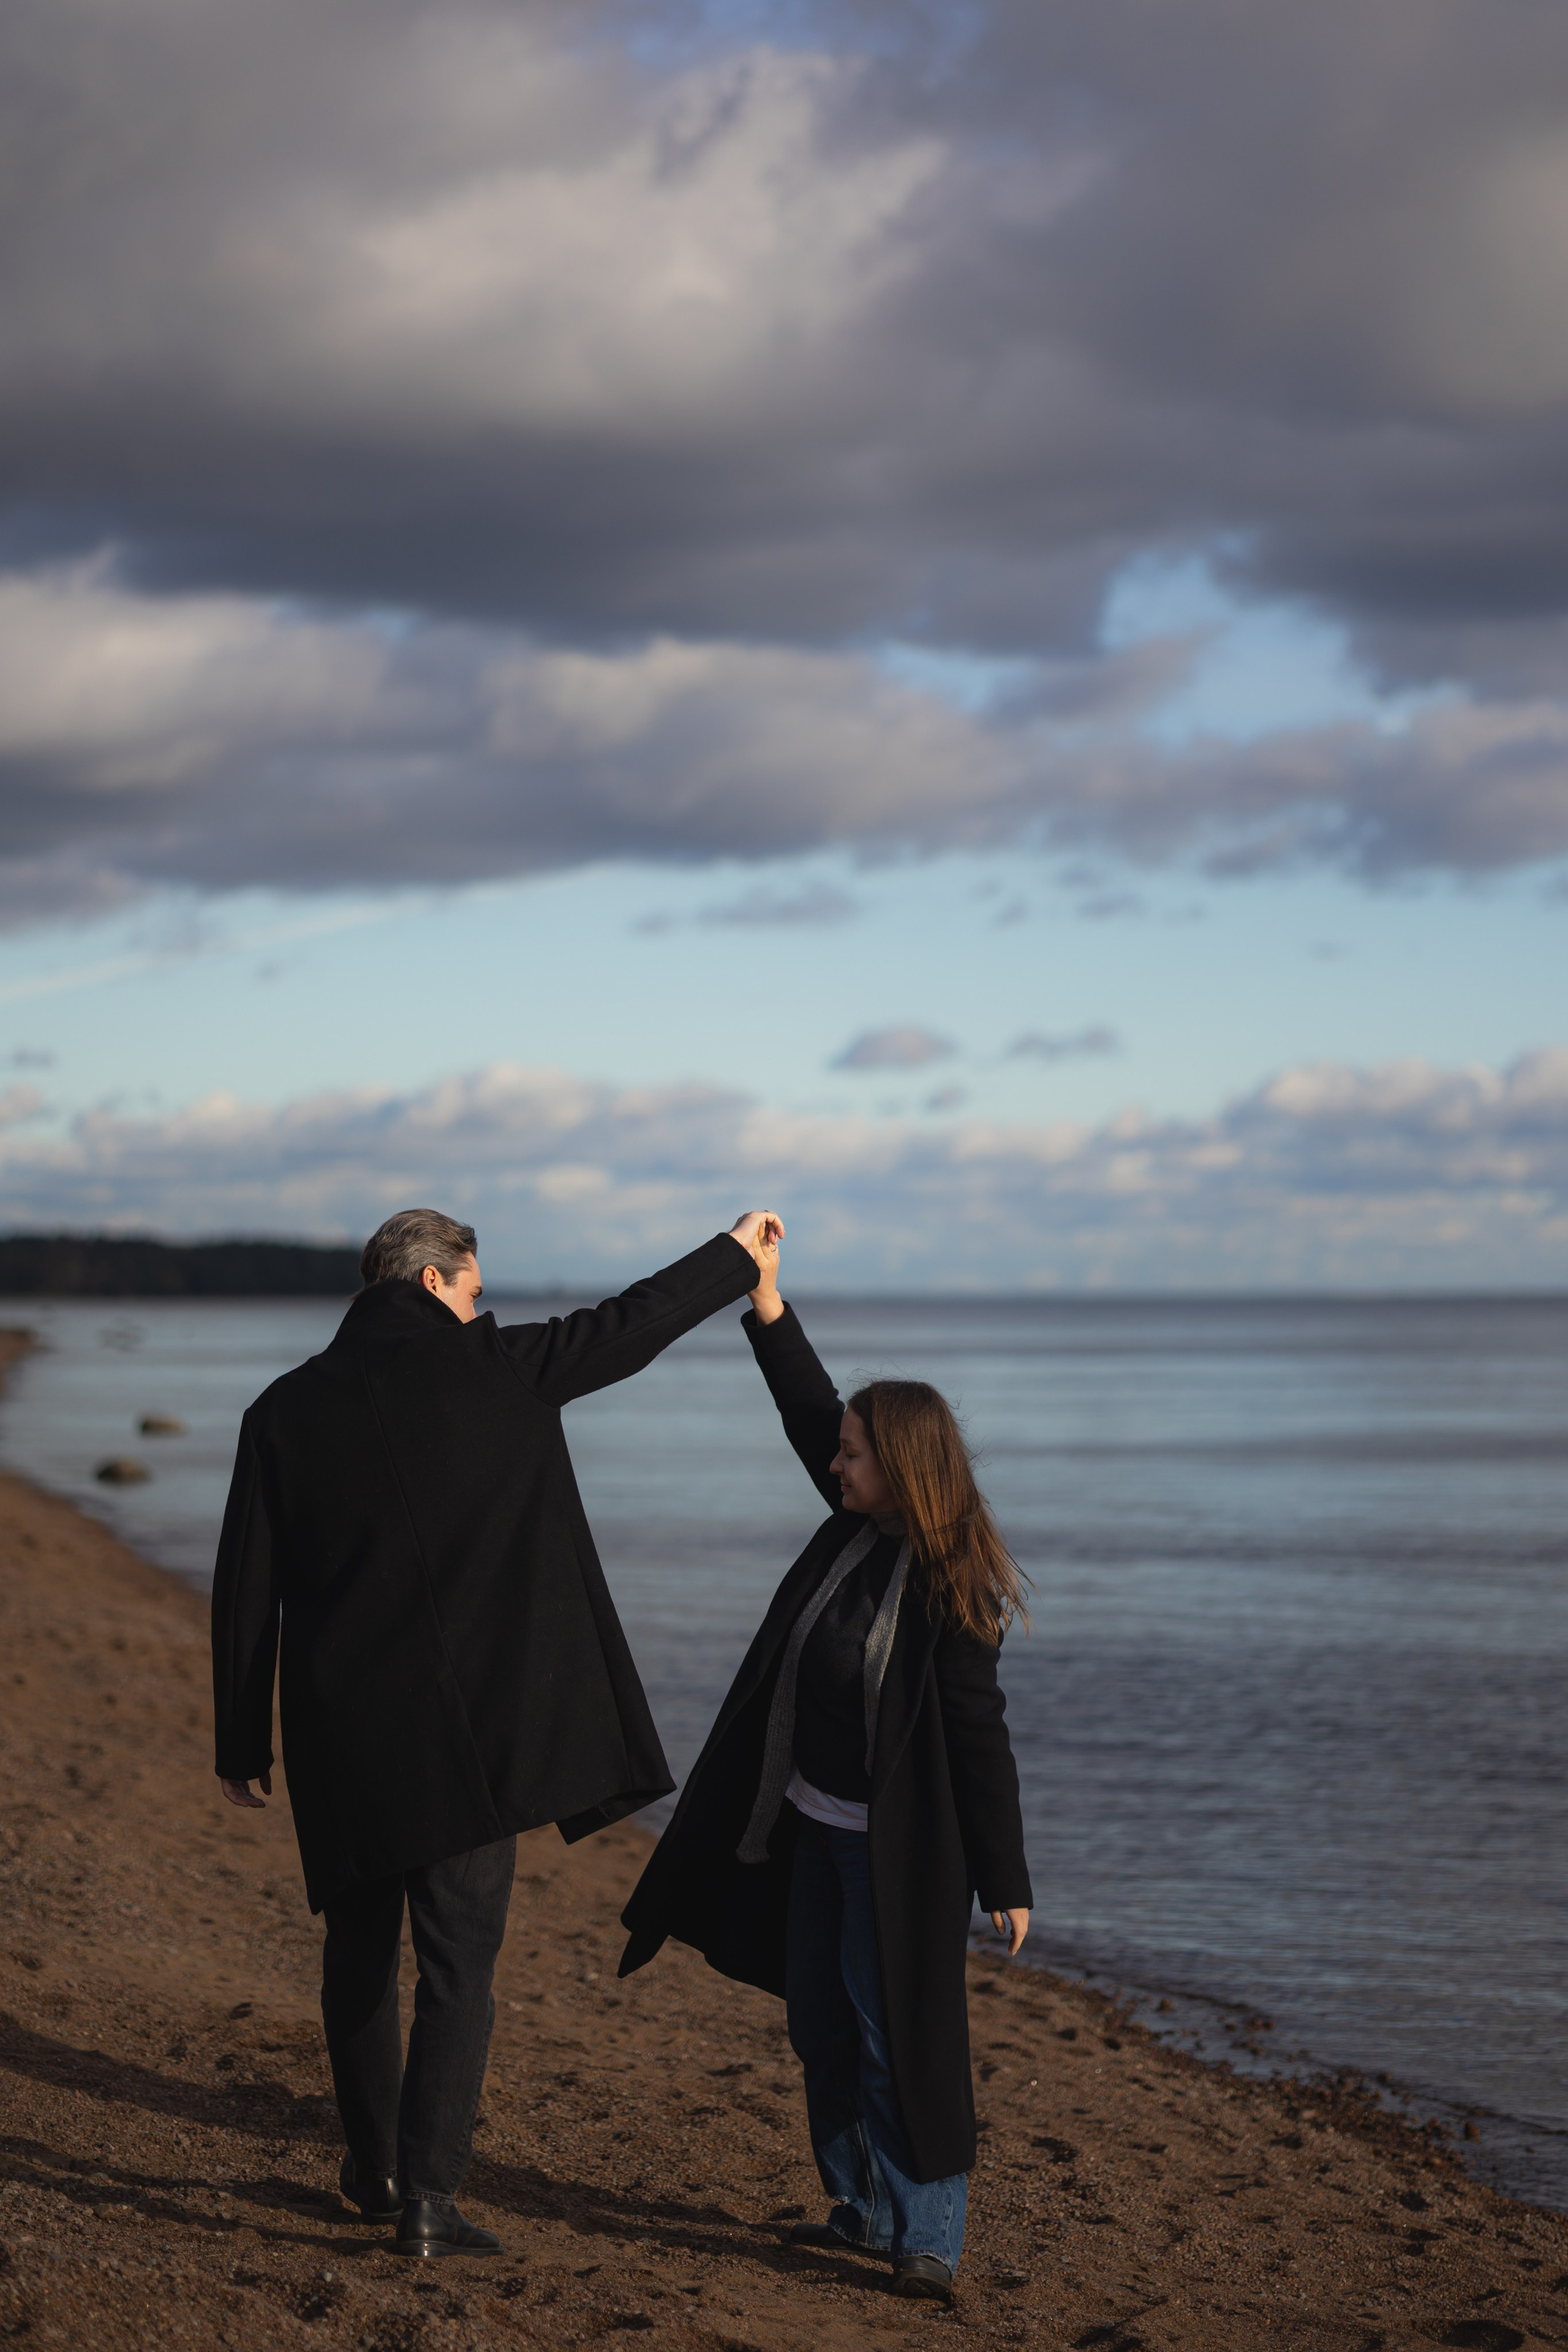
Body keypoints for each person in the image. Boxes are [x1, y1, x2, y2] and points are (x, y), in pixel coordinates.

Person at [212, 1204, 781, 2260]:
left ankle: (375, 2168)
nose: (485, 1308)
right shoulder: (503, 1369)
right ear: (434, 1283)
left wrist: (240, 1744)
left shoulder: (280, 1410)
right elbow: (634, 1324)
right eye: (476, 1289)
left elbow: (246, 1584)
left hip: (344, 1738)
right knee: (458, 1963)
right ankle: (428, 2199)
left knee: (357, 1948)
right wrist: (738, 1255)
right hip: (472, 1739)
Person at [618, 1235, 1031, 2303]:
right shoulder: (855, 1526)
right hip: (809, 1830)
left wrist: (1008, 1878)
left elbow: (980, 1737)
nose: (833, 1465)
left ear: (902, 1468)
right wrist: (764, 1302)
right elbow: (811, 1408)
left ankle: (928, 2232)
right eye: (839, 1452)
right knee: (821, 2027)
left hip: (903, 1858)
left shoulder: (952, 1588)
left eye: (852, 1455)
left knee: (900, 2042)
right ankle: (861, 2207)